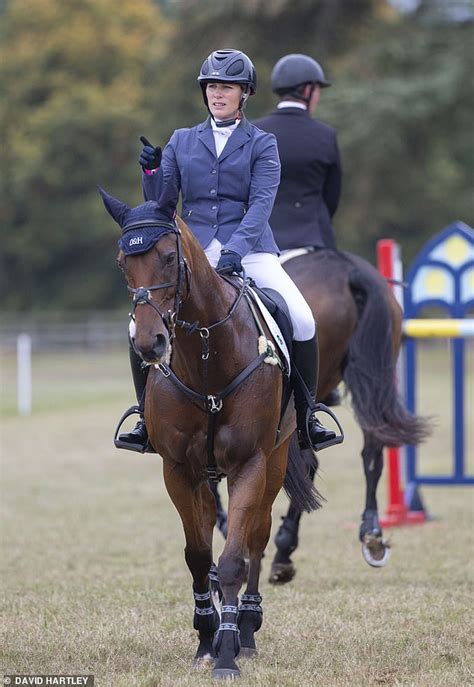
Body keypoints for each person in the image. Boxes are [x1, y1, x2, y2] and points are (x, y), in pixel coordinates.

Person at [116, 48, 339, 454]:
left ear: (245, 93)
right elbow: (161, 202)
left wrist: (236, 250)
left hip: (251, 251)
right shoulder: (183, 140)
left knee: (303, 319)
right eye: (213, 87)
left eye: (227, 88)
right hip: (193, 253)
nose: (218, 94)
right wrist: (150, 170)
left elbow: (260, 205)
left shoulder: (263, 144)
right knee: (141, 323)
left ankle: (307, 417)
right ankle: (145, 420)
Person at [253, 53, 342, 251]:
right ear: (307, 89)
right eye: (317, 89)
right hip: (313, 237)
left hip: (261, 239)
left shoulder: (254, 132)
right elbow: (331, 197)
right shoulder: (325, 135)